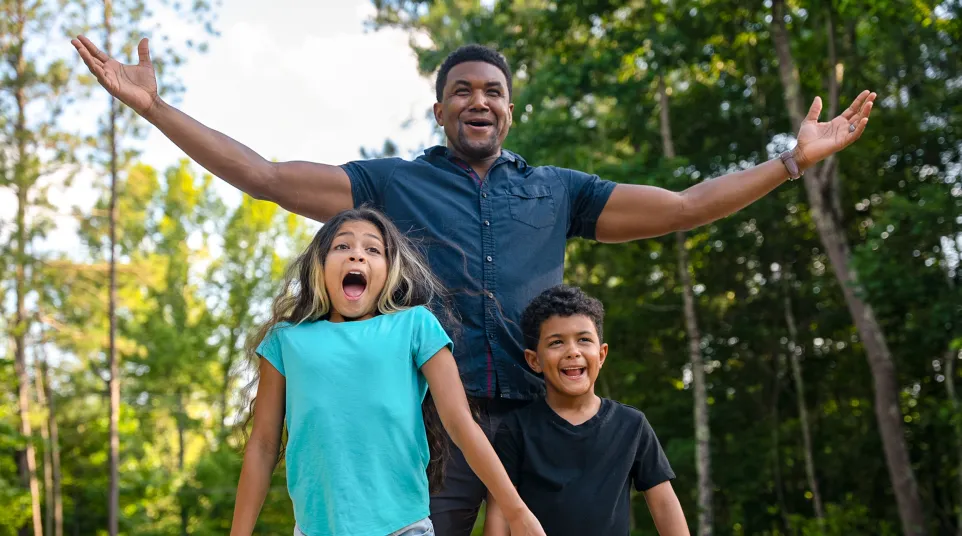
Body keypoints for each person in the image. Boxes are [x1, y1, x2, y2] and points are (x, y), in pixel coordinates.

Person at [72, 35, 875, 535]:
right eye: (462, 90)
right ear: (440, 108)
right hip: (430, 431)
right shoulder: (388, 186)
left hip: (541, 427)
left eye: (492, 90)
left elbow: (685, 207)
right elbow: (266, 175)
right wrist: (154, 107)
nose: (478, 100)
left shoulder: (559, 190)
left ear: (511, 109)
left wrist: (792, 160)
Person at [230, 207, 545, 536]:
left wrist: (517, 511)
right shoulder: (286, 340)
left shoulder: (415, 325)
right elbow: (263, 445)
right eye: (342, 246)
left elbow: (461, 424)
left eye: (372, 249)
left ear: (390, 271)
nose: (357, 257)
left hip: (403, 528)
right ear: (319, 266)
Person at [483, 285, 688, 536]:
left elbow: (665, 504)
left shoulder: (632, 424)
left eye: (584, 340)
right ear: (534, 360)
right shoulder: (516, 429)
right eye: (557, 342)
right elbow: (500, 512)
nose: (573, 351)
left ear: (601, 354)